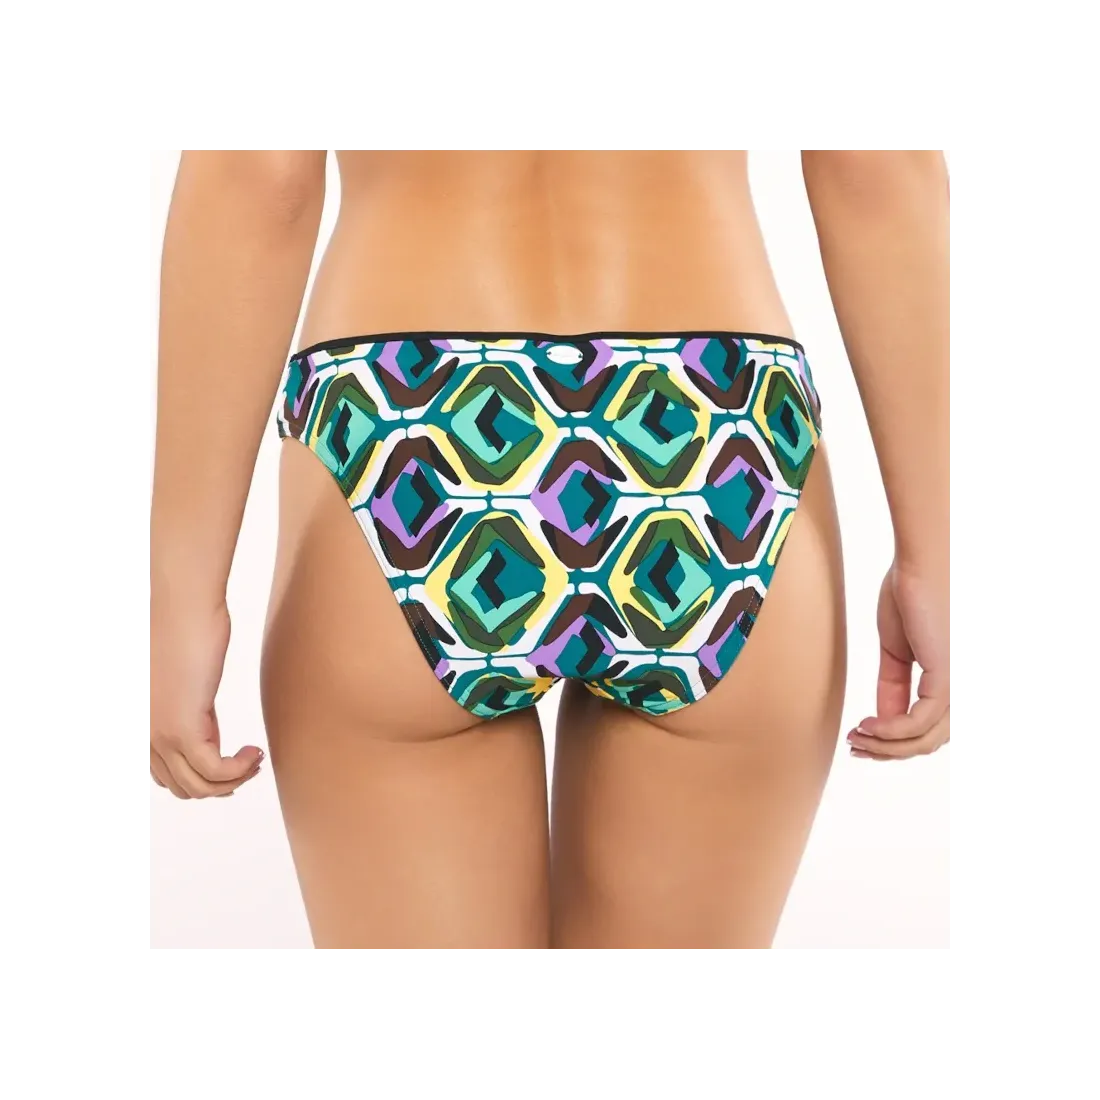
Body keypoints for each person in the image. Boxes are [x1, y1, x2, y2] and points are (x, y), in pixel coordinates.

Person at [149, 146, 950, 950]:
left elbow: (256, 172)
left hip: (414, 423)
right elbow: (876, 164)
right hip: (714, 431)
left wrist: (182, 601)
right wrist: (937, 558)